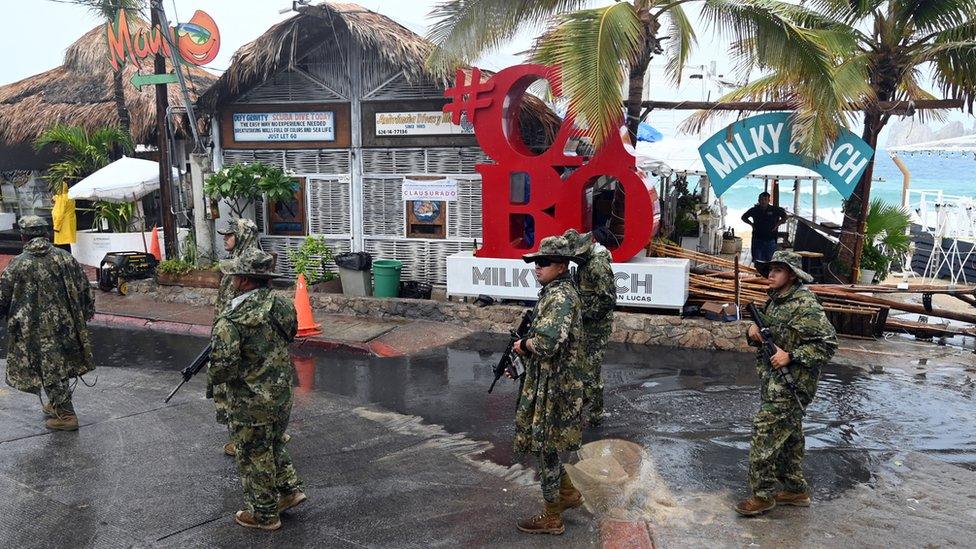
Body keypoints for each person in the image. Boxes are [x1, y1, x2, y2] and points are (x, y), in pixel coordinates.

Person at [208, 249, 305, 531]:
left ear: (246, 281)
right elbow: (291, 334)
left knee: (253, 453)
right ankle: (288, 490)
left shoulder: (231, 320)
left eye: (236, 274)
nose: (233, 278)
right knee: (273, 441)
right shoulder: (283, 306)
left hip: (250, 401)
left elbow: (222, 369)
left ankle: (264, 514)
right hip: (281, 392)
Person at [736, 251, 837, 517]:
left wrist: (791, 356)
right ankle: (794, 489)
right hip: (774, 381)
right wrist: (753, 333)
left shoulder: (805, 305)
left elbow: (827, 346)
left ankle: (762, 495)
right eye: (770, 269)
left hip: (793, 383)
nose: (771, 274)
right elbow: (771, 334)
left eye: (778, 270)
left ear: (791, 275)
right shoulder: (777, 300)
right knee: (790, 436)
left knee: (765, 432)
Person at [510, 235, 586, 535]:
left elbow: (547, 342)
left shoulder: (561, 297)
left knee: (547, 446)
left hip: (556, 388)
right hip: (547, 382)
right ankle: (566, 494)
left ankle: (552, 515)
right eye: (535, 262)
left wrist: (524, 346)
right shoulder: (553, 292)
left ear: (561, 266)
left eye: (543, 263)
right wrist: (520, 360)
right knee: (546, 446)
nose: (536, 268)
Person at [0, 215, 95, 431]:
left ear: (24, 237)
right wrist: (86, 314)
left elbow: (2, 299)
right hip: (66, 325)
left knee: (48, 366)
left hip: (33, 329)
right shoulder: (65, 258)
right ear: (47, 234)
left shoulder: (17, 265)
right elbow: (84, 289)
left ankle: (67, 415)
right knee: (59, 363)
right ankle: (56, 403)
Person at [212, 217, 262, 457]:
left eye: (230, 234)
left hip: (238, 337)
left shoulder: (246, 265)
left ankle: (243, 440)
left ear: (242, 236)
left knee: (236, 389)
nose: (225, 238)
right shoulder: (237, 261)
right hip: (230, 333)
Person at [563, 227, 616, 426]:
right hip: (587, 325)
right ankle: (584, 406)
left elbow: (607, 300)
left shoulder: (598, 265)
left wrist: (584, 315)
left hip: (597, 328)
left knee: (590, 371)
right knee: (583, 367)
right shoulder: (585, 263)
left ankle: (596, 415)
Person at [741, 192, 788, 265]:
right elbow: (743, 217)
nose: (763, 201)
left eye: (765, 199)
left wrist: (777, 225)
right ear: (758, 200)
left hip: (771, 239)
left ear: (769, 200)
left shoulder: (774, 209)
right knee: (758, 261)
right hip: (757, 239)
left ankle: (767, 276)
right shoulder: (754, 210)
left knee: (770, 261)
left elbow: (785, 217)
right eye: (761, 199)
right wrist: (751, 224)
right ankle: (757, 275)